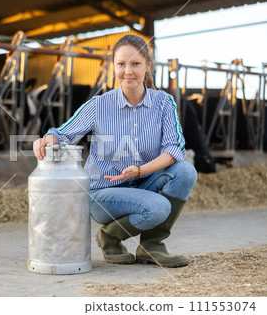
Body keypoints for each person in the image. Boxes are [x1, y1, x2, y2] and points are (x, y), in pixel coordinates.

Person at [33, 34, 197, 268]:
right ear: (114, 67)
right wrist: (45, 139)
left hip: (142, 184)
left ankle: (152, 245)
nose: (128, 71)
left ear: (148, 66)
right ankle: (110, 236)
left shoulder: (163, 103)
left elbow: (174, 148)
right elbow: (61, 133)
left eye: (135, 64)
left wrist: (139, 171)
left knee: (185, 171)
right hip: (103, 193)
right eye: (121, 64)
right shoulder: (99, 105)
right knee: (159, 207)